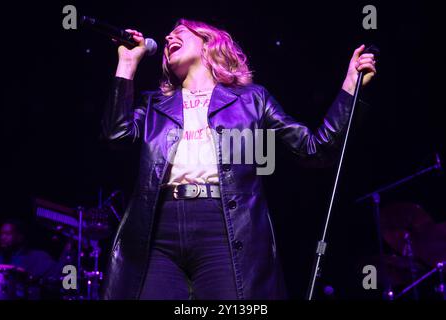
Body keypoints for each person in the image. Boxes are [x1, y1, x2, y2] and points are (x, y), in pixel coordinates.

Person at [101, 19, 376, 300]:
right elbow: (116, 136)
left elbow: (314, 149)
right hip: (159, 229)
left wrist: (350, 86)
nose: (169, 36)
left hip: (223, 226)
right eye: (169, 34)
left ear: (208, 42)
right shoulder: (154, 105)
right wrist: (126, 64)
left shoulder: (251, 100)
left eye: (180, 32)